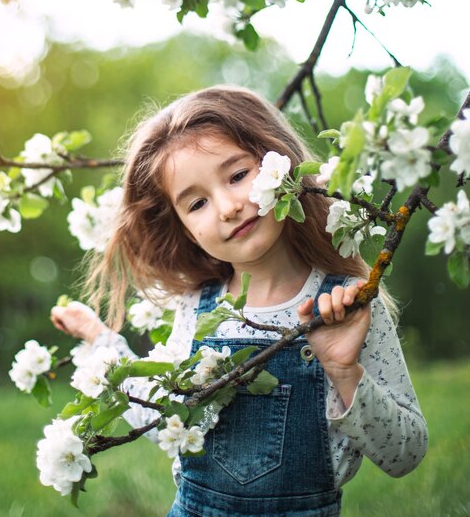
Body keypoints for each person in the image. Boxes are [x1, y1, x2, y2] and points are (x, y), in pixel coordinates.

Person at [51, 86, 428, 517]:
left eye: (237, 176)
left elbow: (406, 454)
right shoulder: (198, 310)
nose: (228, 207)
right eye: (197, 203)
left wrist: (345, 372)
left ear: (281, 166)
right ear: (185, 229)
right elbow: (166, 417)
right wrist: (102, 341)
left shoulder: (347, 307)